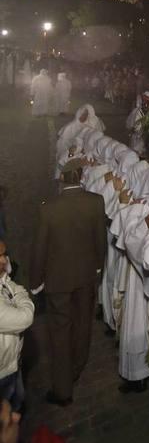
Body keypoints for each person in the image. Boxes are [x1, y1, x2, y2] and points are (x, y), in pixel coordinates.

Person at [29, 160, 107, 406]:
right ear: (81, 175)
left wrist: (35, 282)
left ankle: (63, 390)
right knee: (83, 323)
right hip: (85, 275)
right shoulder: (96, 201)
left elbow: (39, 249)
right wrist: (97, 267)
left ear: (61, 179)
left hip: (58, 280)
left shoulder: (49, 209)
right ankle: (76, 367)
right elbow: (101, 241)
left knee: (60, 332)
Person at [0, 242, 34, 411]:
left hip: (11, 363)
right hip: (3, 372)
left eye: (5, 254)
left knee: (18, 400)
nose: (6, 260)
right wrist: (20, 294)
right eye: (0, 255)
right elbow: (25, 317)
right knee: (11, 412)